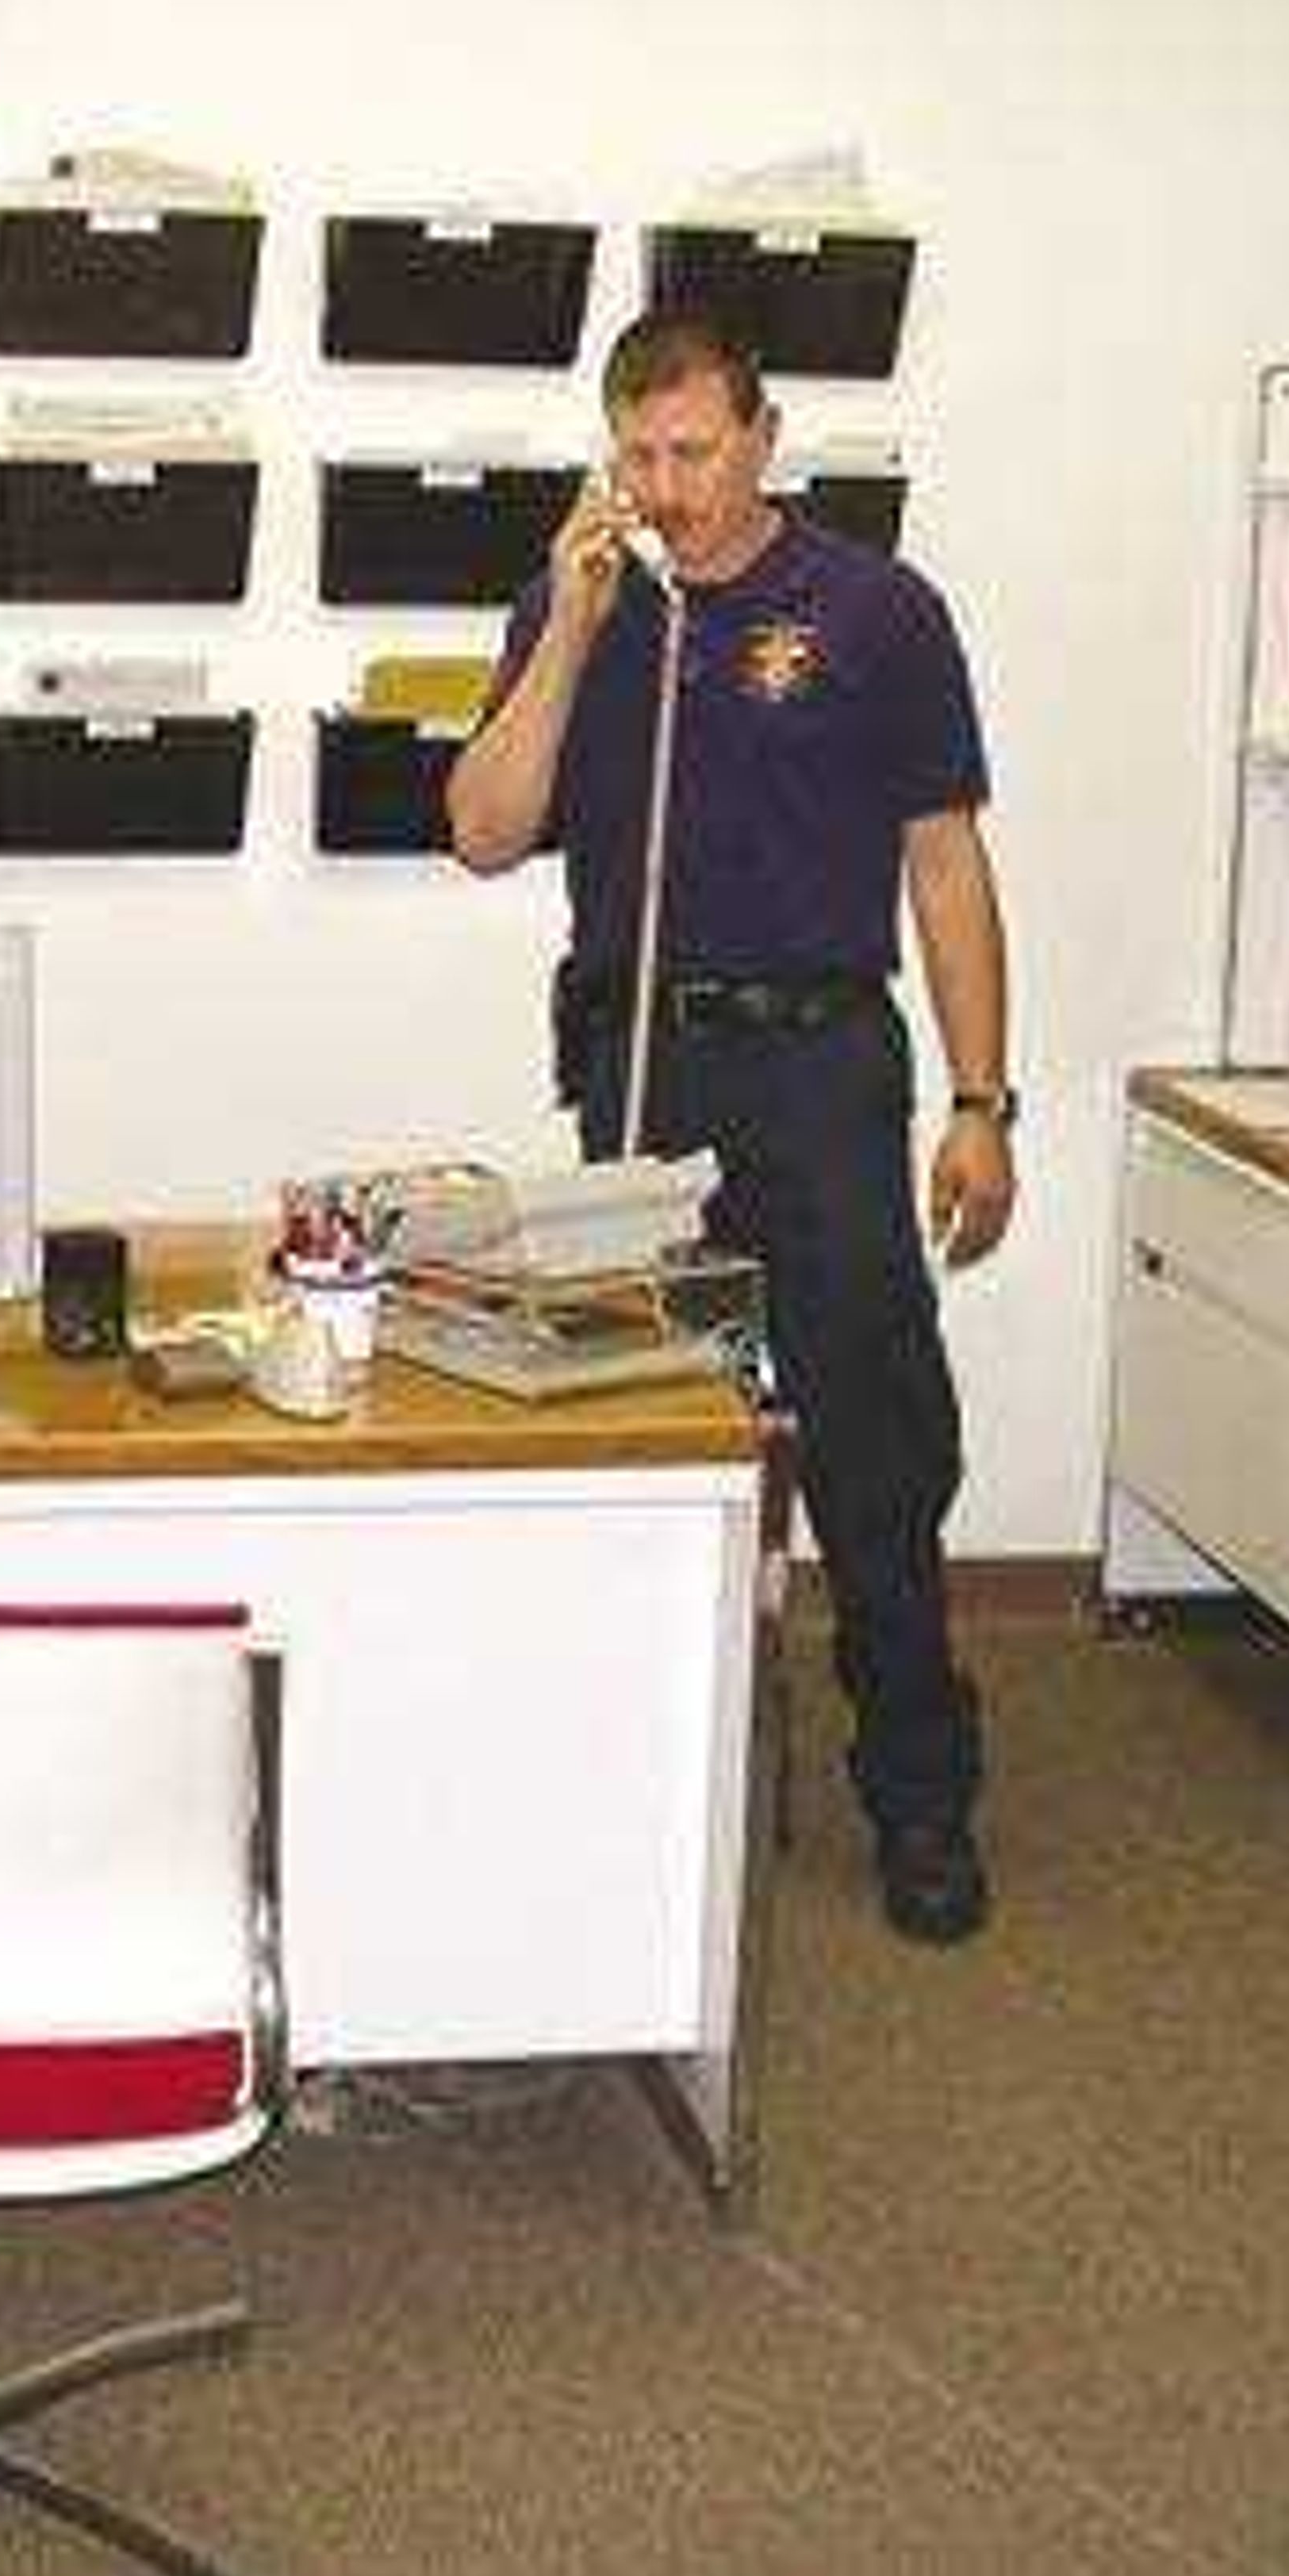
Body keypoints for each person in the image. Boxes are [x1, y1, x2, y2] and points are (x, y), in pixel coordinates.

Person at [446, 307, 1016, 1945]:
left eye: (694, 452)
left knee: (872, 1441)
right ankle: (643, 1786)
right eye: (637, 456)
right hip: (641, 1070)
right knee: (638, 1428)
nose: (668, 487)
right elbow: (486, 835)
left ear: (763, 437)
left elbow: (947, 865)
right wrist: (568, 629)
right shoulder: (584, 602)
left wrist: (981, 1105)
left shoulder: (877, 613)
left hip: (822, 1072)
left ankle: (920, 1793)